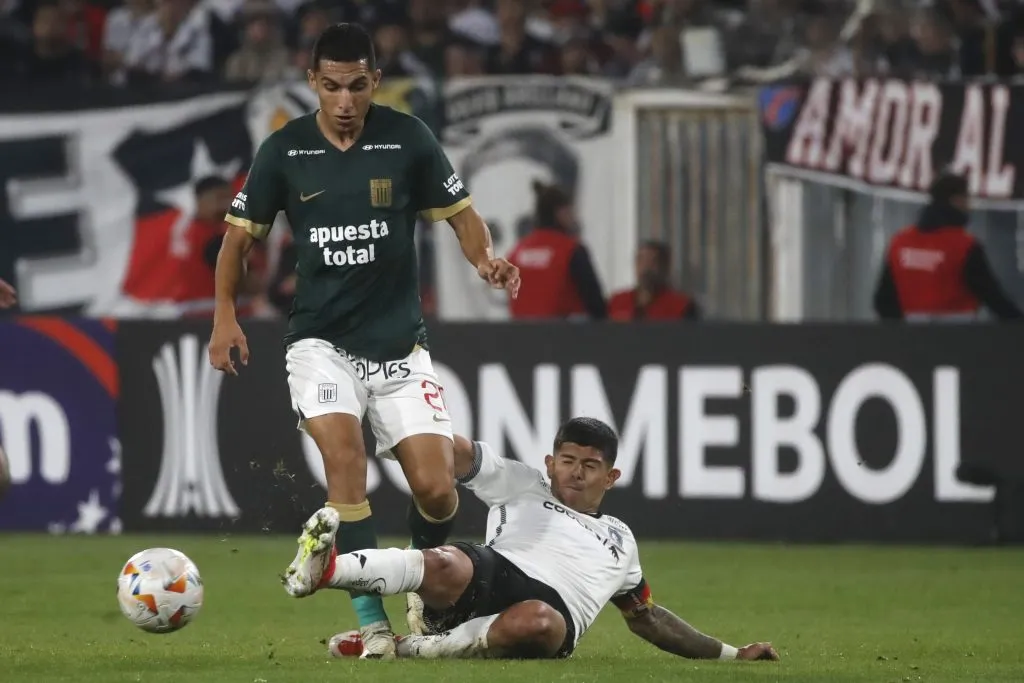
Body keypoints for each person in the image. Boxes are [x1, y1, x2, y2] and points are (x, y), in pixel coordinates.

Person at [209, 22, 519, 660]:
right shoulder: (285, 150)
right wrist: (224, 315)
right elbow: (239, 239)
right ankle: (371, 624)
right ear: (311, 84)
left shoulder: (408, 139)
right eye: (331, 87)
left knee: (437, 491)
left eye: (356, 87)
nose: (344, 101)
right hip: (320, 342)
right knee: (344, 458)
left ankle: (414, 581)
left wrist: (485, 259)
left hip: (399, 348)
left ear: (376, 82)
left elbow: (461, 214)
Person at [290, 417, 780, 663]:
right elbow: (456, 453)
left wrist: (731, 655)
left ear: (611, 477)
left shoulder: (621, 541)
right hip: (493, 572)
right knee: (446, 562)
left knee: (539, 621)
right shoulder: (522, 481)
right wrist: (402, 431)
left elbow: (645, 617)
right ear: (551, 463)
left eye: (591, 466)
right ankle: (326, 570)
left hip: (553, 614)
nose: (576, 473)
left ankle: (408, 647)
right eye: (567, 461)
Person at [873, 171, 1022, 321]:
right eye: (967, 199)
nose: (969, 207)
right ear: (957, 200)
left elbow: (883, 302)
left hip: (911, 338)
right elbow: (993, 297)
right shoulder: (964, 246)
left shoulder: (900, 243)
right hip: (958, 338)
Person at [507, 180, 606, 320]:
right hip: (563, 337)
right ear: (561, 212)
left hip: (520, 337)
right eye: (571, 211)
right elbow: (596, 305)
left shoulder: (516, 253)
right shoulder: (571, 250)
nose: (574, 218)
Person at [608, 240, 700, 320]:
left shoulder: (682, 306)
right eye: (641, 260)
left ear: (665, 267)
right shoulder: (617, 302)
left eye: (653, 261)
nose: (646, 267)